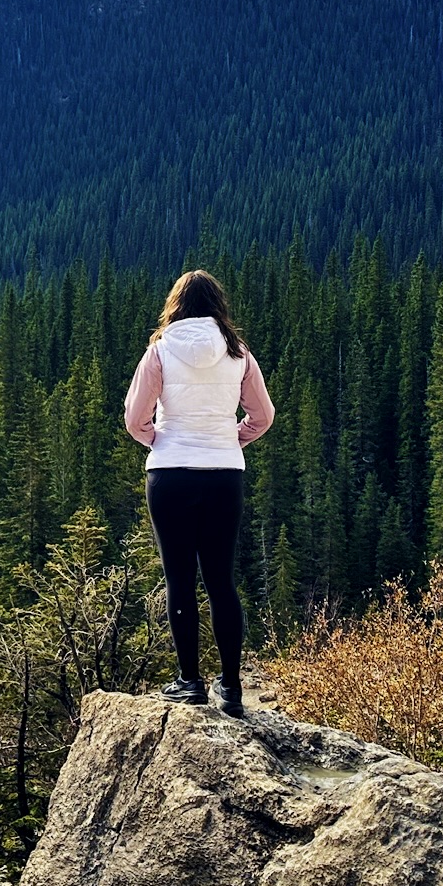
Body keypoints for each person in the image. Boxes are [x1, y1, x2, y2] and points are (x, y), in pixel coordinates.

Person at [123, 269, 275, 717]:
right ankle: (230, 687)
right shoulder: (238, 353)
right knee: (221, 580)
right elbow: (262, 416)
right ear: (217, 305)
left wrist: (162, 441)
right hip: (224, 473)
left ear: (176, 305)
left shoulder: (160, 351)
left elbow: (135, 419)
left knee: (179, 580)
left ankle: (189, 681)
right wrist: (232, 438)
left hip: (170, 475)